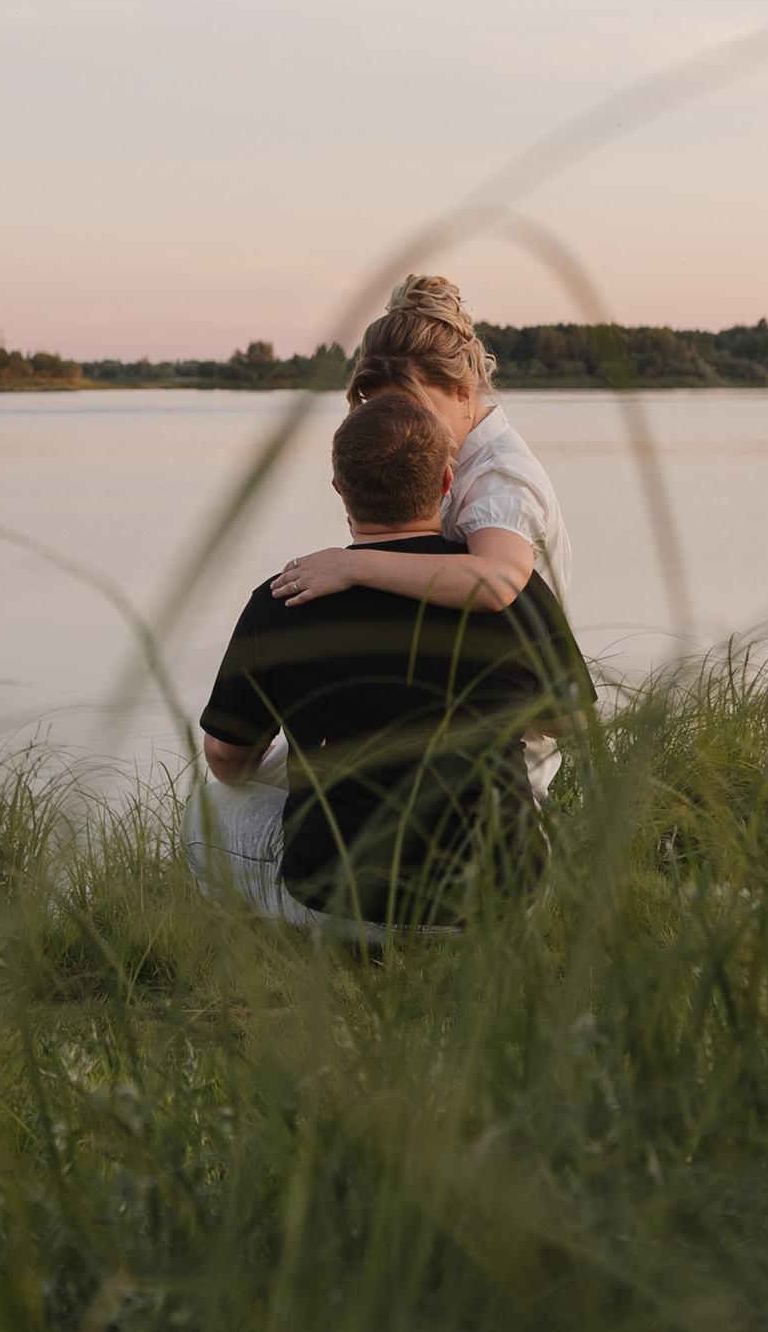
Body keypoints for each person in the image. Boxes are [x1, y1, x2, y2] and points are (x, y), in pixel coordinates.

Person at [193, 384, 593, 934]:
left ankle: (258, 943)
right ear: (447, 483)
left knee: (207, 810)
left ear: (339, 489)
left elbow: (227, 761)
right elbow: (568, 719)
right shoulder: (508, 588)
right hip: (501, 904)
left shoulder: (282, 598)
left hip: (342, 905)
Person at [269, 272, 573, 618]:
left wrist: (350, 565)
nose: (403, 425)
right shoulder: (447, 458)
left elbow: (495, 582)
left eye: (415, 408)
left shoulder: (500, 476)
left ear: (464, 392)